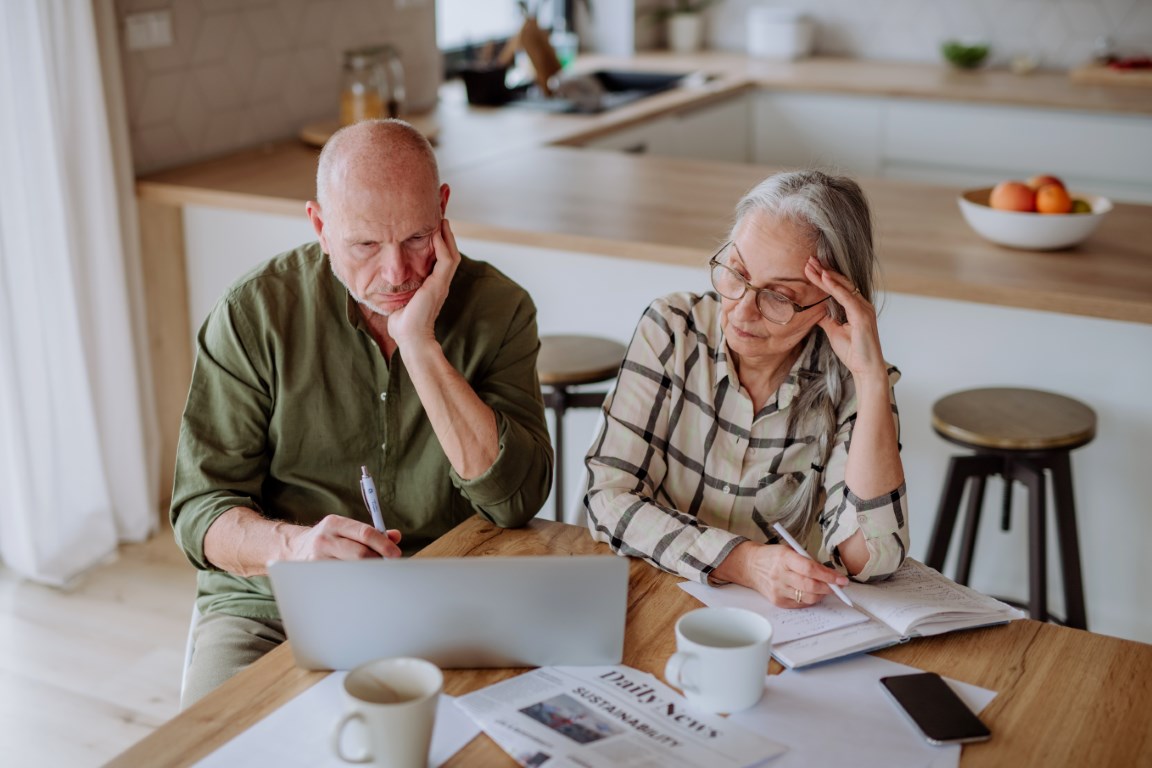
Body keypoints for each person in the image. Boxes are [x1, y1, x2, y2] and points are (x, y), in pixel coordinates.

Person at [171, 119, 553, 706]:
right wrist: (295, 550)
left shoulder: (500, 310)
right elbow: (201, 512)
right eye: (366, 245)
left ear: (443, 209)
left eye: (418, 239)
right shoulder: (255, 314)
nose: (397, 273)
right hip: (274, 607)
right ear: (321, 227)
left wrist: (421, 344)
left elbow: (515, 499)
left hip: (438, 596)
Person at [584, 170, 908, 608]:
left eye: (779, 296)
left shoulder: (855, 380)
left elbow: (871, 561)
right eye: (736, 273)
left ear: (829, 304)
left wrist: (871, 382)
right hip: (651, 591)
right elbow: (607, 498)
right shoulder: (673, 331)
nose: (741, 309)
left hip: (781, 623)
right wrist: (743, 562)